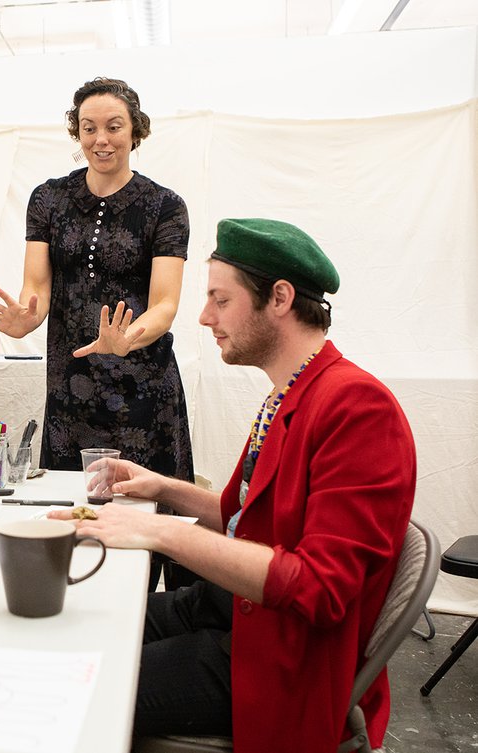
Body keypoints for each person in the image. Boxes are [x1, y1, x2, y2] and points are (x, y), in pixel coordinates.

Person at [53, 219, 416, 751]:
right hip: (228, 612)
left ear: (280, 298)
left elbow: (320, 588)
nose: (204, 317)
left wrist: (161, 535)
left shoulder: (358, 408)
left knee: (76, 688)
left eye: (220, 301)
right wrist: (163, 488)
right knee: (72, 620)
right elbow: (246, 519)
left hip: (277, 657)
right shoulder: (291, 393)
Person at [0, 77, 193, 482]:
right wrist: (26, 317)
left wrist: (128, 338)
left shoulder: (165, 206)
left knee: (142, 508)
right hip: (71, 384)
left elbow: (165, 304)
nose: (101, 139)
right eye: (89, 127)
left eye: (114, 126)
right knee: (70, 504)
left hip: (144, 383)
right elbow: (36, 287)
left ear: (135, 131)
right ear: (77, 131)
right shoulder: (48, 199)